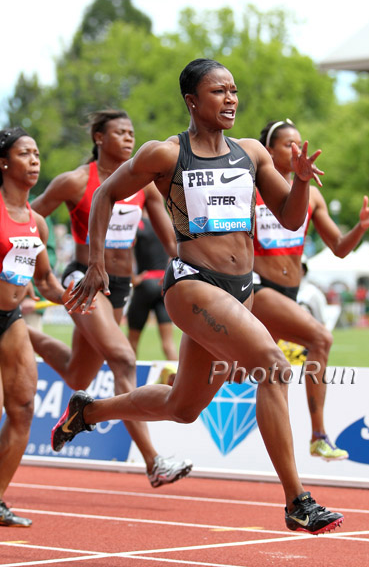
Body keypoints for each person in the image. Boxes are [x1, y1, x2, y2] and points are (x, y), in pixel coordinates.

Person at [52, 59, 344, 535]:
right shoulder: (165, 155)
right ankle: (298, 501)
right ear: (192, 101)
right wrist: (96, 263)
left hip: (241, 291)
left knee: (183, 408)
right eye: (219, 91)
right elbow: (105, 193)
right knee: (274, 366)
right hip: (192, 284)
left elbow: (292, 219)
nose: (231, 99)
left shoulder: (251, 153)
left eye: (234, 90)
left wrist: (301, 182)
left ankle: (89, 411)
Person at [28, 110, 192, 487]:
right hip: (83, 280)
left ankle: (18, 331)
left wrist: (195, 265)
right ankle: (153, 462)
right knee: (123, 358)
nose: (129, 138)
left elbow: (171, 241)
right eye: (120, 132)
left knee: (77, 373)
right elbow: (25, 220)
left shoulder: (142, 184)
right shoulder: (75, 181)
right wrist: (38, 269)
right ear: (99, 138)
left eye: (132, 132)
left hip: (119, 287)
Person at [252, 119, 369, 461]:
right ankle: (319, 435)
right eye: (288, 144)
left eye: (300, 142)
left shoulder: (310, 195)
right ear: (268, 151)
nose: (297, 149)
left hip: (290, 293)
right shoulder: (251, 190)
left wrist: (360, 227)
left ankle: (176, 377)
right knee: (320, 339)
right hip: (258, 290)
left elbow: (339, 248)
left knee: (242, 374)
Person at [0, 127, 85, 526]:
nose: (34, 160)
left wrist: (79, 301)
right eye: (24, 154)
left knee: (23, 407)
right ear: (3, 163)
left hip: (10, 319)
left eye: (36, 153)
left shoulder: (37, 222)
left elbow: (47, 280)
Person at [126, 211, 179, 363]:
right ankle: (179, 376)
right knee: (168, 344)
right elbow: (176, 250)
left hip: (146, 282)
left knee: (132, 342)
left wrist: (133, 278)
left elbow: (126, 249)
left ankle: (129, 376)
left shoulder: (137, 223)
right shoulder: (167, 223)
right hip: (163, 283)